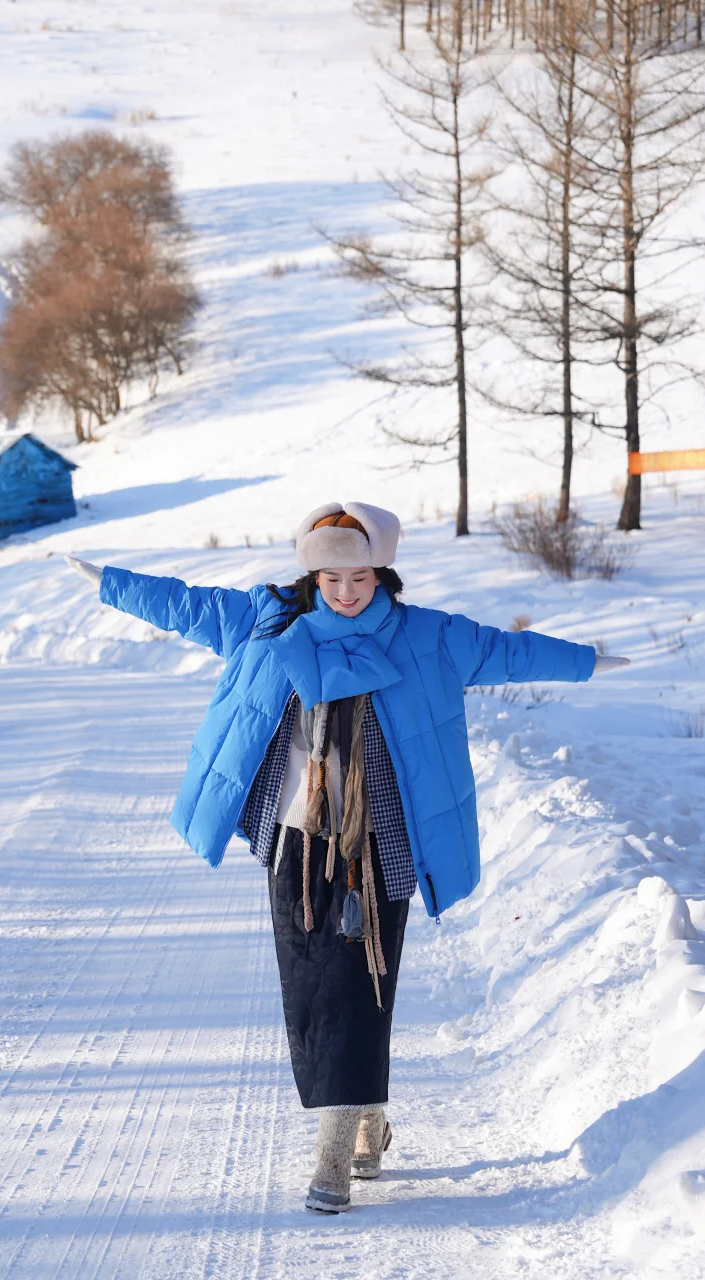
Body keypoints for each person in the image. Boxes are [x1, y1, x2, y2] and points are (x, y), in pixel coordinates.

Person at [65, 501, 628, 1215]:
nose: (346, 592)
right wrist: (109, 582)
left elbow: (506, 651)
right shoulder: (269, 622)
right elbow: (186, 606)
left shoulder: (425, 636)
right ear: (314, 573)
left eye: (359, 576)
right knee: (311, 987)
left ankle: (335, 1148)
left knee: (363, 983)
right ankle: (361, 1115)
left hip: (381, 842)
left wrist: (586, 661)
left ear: (380, 571)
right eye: (331, 577)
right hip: (298, 840)